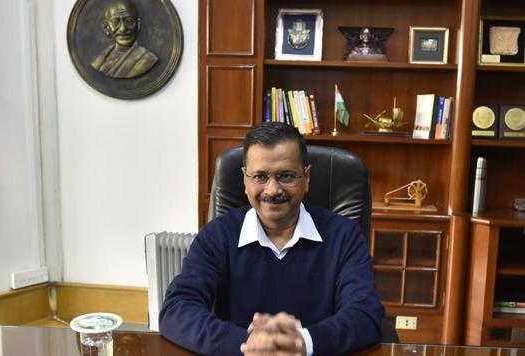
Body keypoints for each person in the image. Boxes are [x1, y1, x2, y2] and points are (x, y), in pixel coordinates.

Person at [159, 122, 383, 355]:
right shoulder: (216, 236)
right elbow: (177, 309)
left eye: (285, 176)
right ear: (245, 180)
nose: (273, 189)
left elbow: (365, 314)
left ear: (306, 178)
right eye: (260, 176)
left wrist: (302, 342)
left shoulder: (344, 236)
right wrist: (248, 345)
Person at [91, 0, 158, 79]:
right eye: (115, 22)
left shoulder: (147, 59)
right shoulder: (99, 60)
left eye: (129, 21)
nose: (123, 29)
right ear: (107, 28)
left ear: (138, 25)